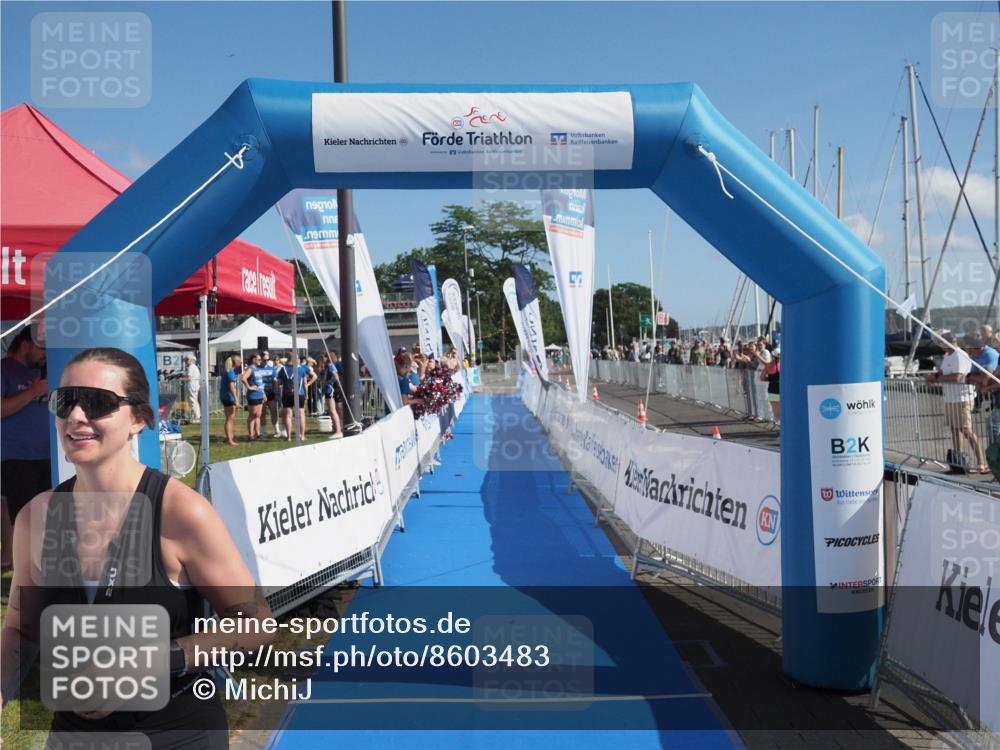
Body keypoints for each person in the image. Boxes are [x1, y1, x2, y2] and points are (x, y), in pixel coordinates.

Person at [0, 346, 271, 748]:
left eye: (97, 403)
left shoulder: (181, 513)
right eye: (65, 401)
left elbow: (256, 624)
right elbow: (21, 631)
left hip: (175, 730)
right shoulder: (37, 517)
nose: (76, 416)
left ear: (140, 420)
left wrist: (153, 663)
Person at [1, 327, 51, 529]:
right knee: (24, 522)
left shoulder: (45, 372)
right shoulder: (5, 369)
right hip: (17, 459)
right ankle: (22, 560)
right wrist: (33, 392)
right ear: (25, 345)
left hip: (48, 457)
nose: (45, 354)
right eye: (41, 348)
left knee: (48, 520)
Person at [926, 333, 987, 473]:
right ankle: (958, 460)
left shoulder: (960, 355)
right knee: (955, 429)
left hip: (962, 398)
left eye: (941, 344)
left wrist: (937, 379)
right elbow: (943, 371)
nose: (940, 347)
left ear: (947, 343)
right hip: (950, 398)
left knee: (966, 430)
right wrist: (934, 376)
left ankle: (981, 462)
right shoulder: (948, 355)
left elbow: (956, 377)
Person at [276, 353, 316, 442]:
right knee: (301, 414)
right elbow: (306, 382)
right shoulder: (301, 369)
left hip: (287, 394)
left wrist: (285, 382)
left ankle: (289, 437)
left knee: (288, 415)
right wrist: (307, 394)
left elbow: (279, 382)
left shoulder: (283, 369)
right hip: (299, 393)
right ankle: (302, 436)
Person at [241, 353, 266, 441]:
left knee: (258, 415)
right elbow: (243, 378)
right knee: (252, 415)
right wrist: (249, 387)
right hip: (253, 395)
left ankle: (258, 433)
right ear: (254, 360)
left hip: (259, 394)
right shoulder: (250, 368)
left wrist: (263, 394)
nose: (260, 361)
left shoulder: (257, 369)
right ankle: (251, 434)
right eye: (259, 359)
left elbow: (260, 383)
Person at [320, 352, 344, 439]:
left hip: (330, 390)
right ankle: (336, 429)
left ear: (328, 358)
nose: (322, 359)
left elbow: (336, 376)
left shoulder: (331, 366)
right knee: (331, 411)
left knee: (333, 410)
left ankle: (338, 430)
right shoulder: (327, 366)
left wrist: (329, 381)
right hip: (328, 390)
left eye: (324, 357)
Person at [219, 354, 241, 447]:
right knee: (230, 419)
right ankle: (229, 439)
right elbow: (232, 387)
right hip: (229, 397)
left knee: (230, 418)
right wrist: (236, 399)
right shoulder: (230, 372)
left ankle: (231, 437)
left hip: (226, 396)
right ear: (234, 362)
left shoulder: (228, 371)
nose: (240, 362)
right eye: (239, 360)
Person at [762, 346, 781, 426]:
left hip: (772, 389)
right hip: (781, 389)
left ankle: (777, 424)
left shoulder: (768, 366)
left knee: (775, 410)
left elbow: (762, 378)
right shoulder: (784, 365)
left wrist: (770, 379)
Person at [183, 354, 201, 423]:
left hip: (192, 386)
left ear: (190, 360)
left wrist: (181, 379)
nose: (185, 362)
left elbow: (189, 378)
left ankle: (196, 418)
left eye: (186, 360)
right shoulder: (195, 367)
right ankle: (197, 416)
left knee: (193, 402)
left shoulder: (191, 367)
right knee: (195, 402)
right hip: (196, 385)